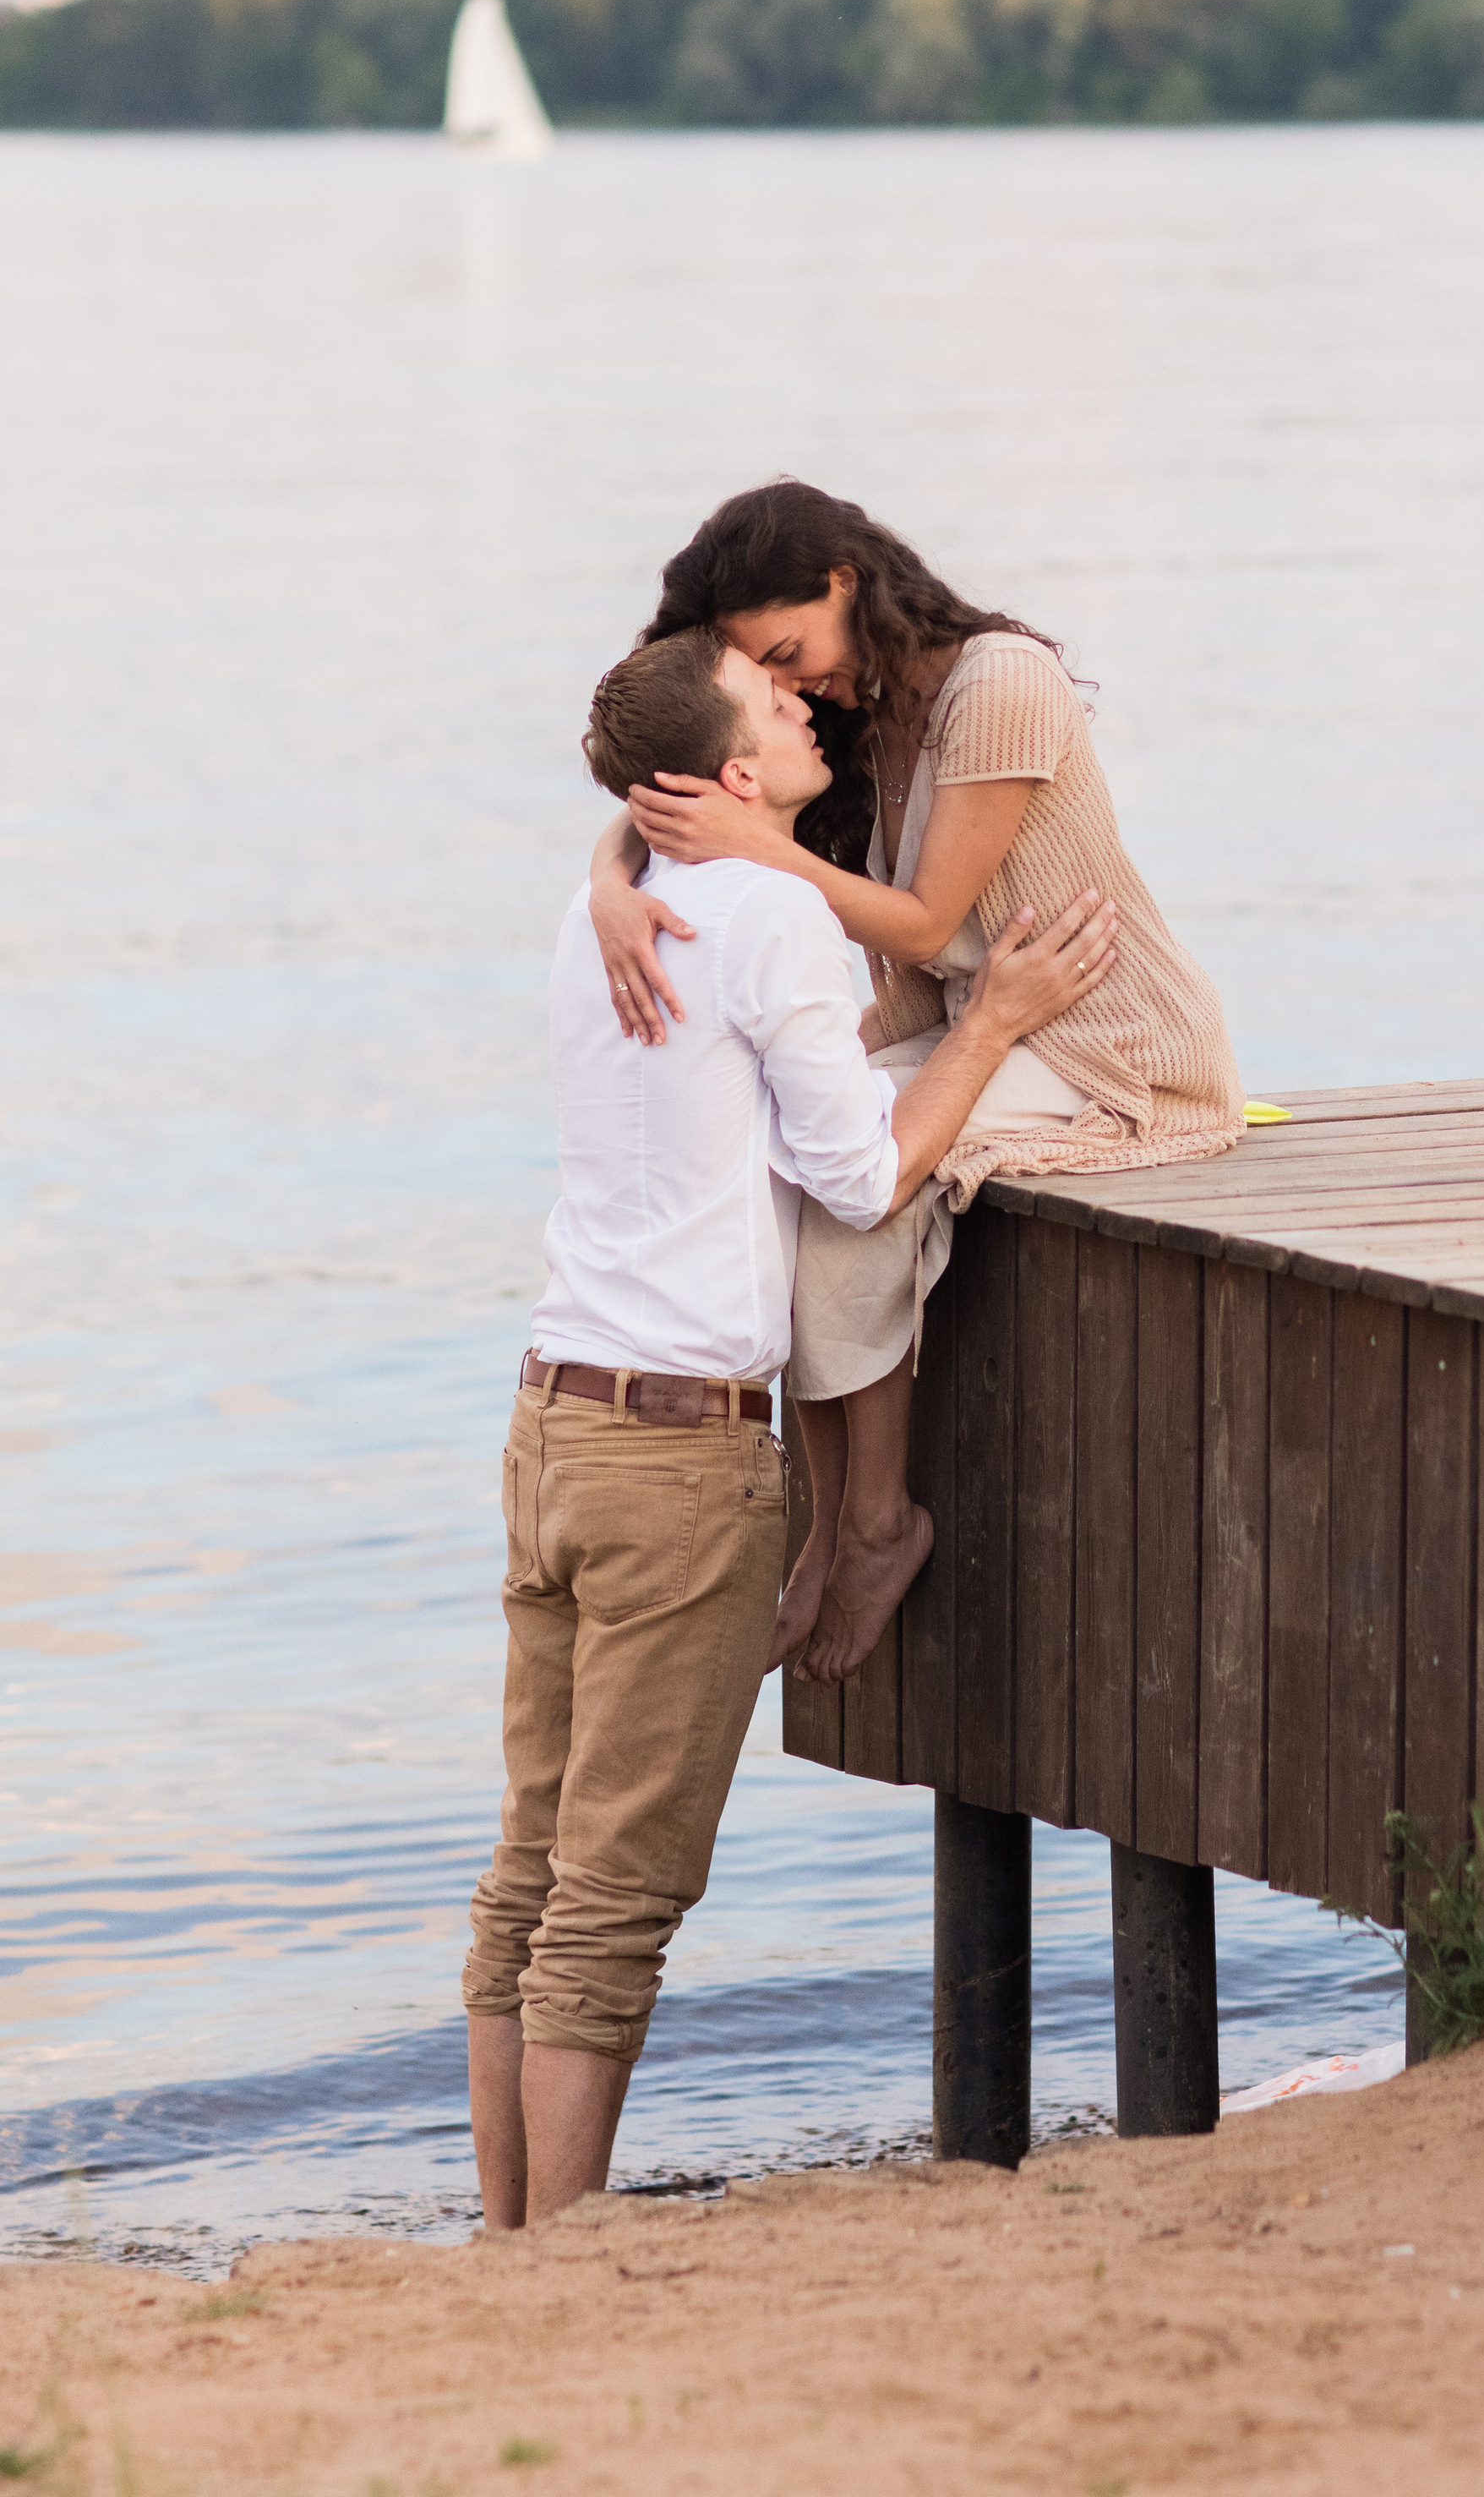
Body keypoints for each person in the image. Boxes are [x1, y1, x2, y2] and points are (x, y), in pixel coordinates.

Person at [463, 622, 1116, 2230]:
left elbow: (640, 857)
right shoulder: (775, 923)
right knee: (615, 1896)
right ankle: (559, 2256)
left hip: (552, 1421)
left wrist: (617, 855)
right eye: (773, 699)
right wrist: (991, 1024)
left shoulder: (601, 907)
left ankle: (507, 2244)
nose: (807, 704)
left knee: (532, 1873)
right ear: (733, 775)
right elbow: (864, 1177)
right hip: (678, 1461)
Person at [587, 481, 1243, 1686]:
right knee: (788, 1161)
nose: (791, 686)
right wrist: (608, 882)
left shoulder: (999, 685)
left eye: (788, 653)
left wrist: (756, 847)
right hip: (973, 1026)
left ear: (845, 582)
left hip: (1106, 1044)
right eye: (764, 672)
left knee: (860, 1191)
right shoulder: (865, 705)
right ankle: (832, 1528)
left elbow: (931, 921)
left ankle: (877, 1522)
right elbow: (670, 766)